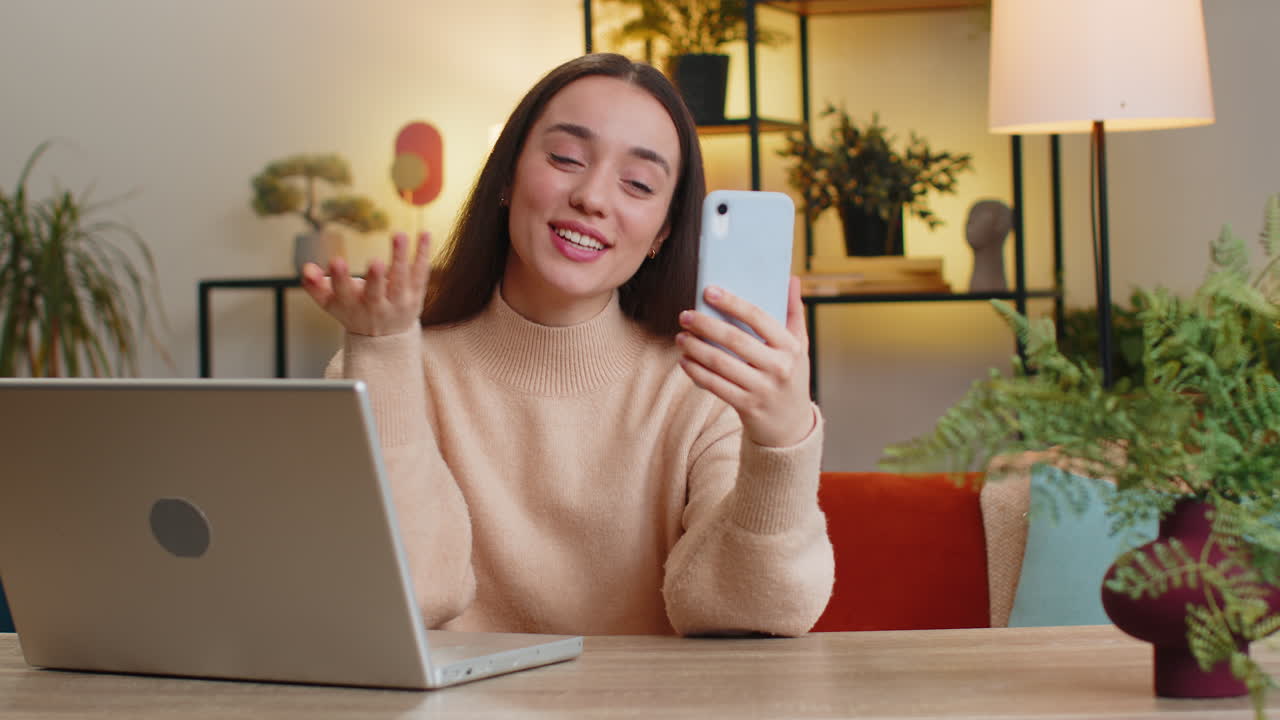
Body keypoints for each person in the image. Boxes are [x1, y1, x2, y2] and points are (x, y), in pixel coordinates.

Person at [300, 53, 833, 637]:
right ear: (506, 177)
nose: (593, 198)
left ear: (662, 233)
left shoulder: (703, 387)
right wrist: (381, 353)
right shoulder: (394, 368)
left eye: (638, 183)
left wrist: (782, 442)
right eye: (565, 158)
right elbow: (408, 595)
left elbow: (745, 615)